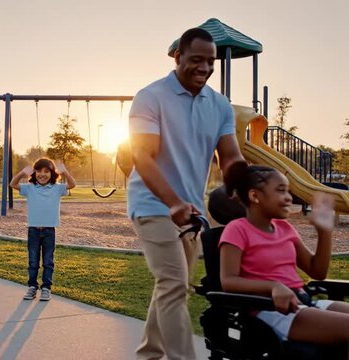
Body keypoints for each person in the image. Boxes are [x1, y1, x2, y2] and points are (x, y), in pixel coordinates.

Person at [128, 27, 245, 360]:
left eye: (210, 62)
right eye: (196, 60)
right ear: (177, 57)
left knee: (171, 287)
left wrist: (244, 187)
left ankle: (148, 355)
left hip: (191, 212)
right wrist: (173, 202)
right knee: (174, 284)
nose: (204, 69)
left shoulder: (220, 105)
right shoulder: (150, 97)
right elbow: (143, 157)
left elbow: (232, 156)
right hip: (153, 204)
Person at [220, 161, 349, 352]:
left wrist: (324, 232)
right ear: (255, 195)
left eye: (288, 191)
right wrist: (273, 286)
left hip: (302, 301)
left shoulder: (285, 228)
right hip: (270, 309)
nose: (289, 198)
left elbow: (317, 271)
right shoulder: (237, 230)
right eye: (281, 191)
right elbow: (228, 281)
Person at [10, 157, 76, 301]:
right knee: (33, 261)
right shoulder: (30, 188)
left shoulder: (57, 188)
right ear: (34, 173)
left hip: (49, 231)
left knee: (48, 261)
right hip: (33, 230)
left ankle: (46, 288)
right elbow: (12, 184)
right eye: (39, 171)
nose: (42, 174)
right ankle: (32, 287)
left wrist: (64, 172)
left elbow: (72, 184)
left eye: (46, 171)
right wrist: (22, 172)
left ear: (52, 173)